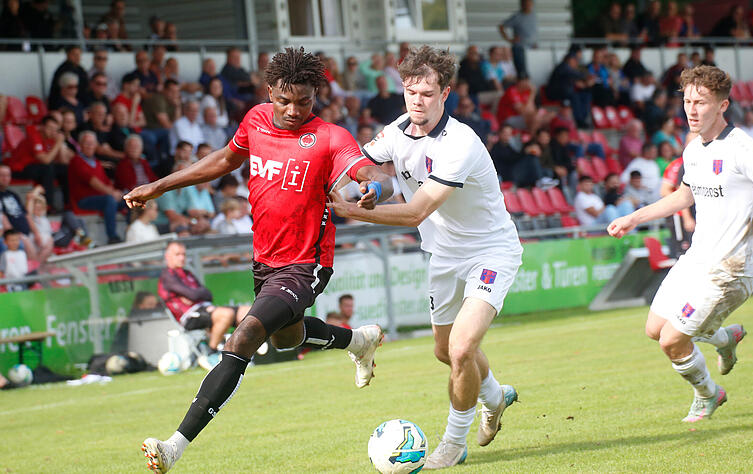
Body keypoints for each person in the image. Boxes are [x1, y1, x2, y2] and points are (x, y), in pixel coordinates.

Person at [127, 47, 394, 473]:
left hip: (307, 264)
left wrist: (375, 190)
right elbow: (223, 160)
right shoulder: (254, 120)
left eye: (303, 101)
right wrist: (160, 185)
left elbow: (375, 173)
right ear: (270, 91)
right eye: (284, 100)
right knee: (288, 338)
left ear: (316, 96)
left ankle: (174, 445)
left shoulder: (329, 136)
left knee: (244, 334)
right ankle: (358, 341)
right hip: (265, 261)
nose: (292, 110)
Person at [327, 45, 520, 469]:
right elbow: (367, 169)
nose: (417, 100)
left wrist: (351, 209)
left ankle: (453, 443)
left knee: (463, 346)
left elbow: (416, 210)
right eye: (410, 91)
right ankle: (495, 397)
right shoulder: (395, 131)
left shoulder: (460, 142)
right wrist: (368, 188)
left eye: (427, 93)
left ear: (445, 93)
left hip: (490, 251)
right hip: (442, 255)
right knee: (444, 351)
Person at [607, 65, 753, 424]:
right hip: (696, 260)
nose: (692, 110)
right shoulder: (693, 148)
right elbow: (683, 196)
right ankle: (724, 339)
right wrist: (635, 217)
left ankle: (709, 394)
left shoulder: (742, 148)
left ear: (723, 105)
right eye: (688, 102)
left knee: (671, 341)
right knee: (653, 329)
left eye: (702, 102)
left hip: (730, 270)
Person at [159, 241, 249, 357]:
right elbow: (195, 295)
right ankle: (211, 353)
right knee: (226, 314)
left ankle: (240, 350)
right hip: (189, 316)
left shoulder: (187, 273)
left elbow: (207, 294)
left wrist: (194, 294)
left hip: (205, 309)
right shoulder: (168, 276)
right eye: (178, 254)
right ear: (168, 256)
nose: (182, 258)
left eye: (184, 254)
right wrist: (195, 294)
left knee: (246, 312)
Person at [67, 131, 127, 244]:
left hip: (100, 198)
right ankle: (112, 236)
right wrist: (112, 193)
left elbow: (106, 182)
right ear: (80, 145)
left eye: (92, 143)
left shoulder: (96, 162)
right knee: (110, 200)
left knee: (129, 200)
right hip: (83, 201)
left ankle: (130, 232)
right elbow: (93, 181)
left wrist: (117, 193)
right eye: (86, 143)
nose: (90, 146)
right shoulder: (76, 161)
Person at [498, 0, 536, 79]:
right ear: (521, 4)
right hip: (519, 48)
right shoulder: (517, 16)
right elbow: (501, 26)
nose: (527, 5)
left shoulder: (533, 14)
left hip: (531, 48)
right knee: (522, 73)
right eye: (525, 3)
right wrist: (509, 39)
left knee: (533, 72)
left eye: (529, 3)